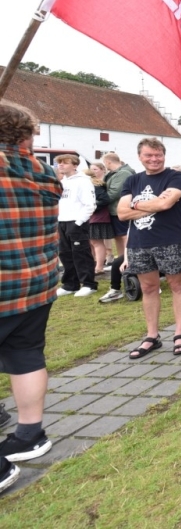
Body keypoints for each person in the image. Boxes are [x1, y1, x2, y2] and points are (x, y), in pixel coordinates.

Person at [0, 102, 61, 489]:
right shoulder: (45, 172)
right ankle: (29, 433)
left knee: (26, 355)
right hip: (36, 282)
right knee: (25, 355)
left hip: (5, 285)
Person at [116, 138, 181, 357]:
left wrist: (135, 205)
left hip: (170, 239)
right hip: (139, 242)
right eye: (148, 155)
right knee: (148, 288)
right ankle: (152, 336)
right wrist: (154, 205)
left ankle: (180, 332)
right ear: (140, 157)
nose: (154, 159)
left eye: (158, 155)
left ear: (164, 156)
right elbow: (121, 213)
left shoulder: (175, 177)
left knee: (176, 285)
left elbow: (165, 203)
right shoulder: (132, 180)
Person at [54, 154, 97, 298]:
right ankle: (70, 284)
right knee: (65, 254)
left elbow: (90, 205)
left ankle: (89, 284)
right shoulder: (63, 182)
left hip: (77, 222)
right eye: (59, 163)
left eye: (65, 163)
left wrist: (78, 222)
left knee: (81, 254)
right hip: (62, 221)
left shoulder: (83, 181)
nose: (61, 165)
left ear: (75, 165)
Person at [102, 152, 136, 258]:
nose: (105, 165)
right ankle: (121, 260)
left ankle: (128, 259)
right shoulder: (115, 173)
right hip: (114, 209)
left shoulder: (123, 173)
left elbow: (115, 192)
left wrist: (99, 201)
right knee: (118, 236)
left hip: (120, 208)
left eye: (104, 163)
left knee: (125, 235)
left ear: (108, 162)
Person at [86, 163, 114, 275]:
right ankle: (94, 265)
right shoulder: (91, 186)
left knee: (96, 242)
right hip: (92, 217)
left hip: (98, 218)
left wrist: (92, 208)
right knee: (91, 243)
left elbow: (105, 200)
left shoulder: (96, 186)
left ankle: (99, 267)